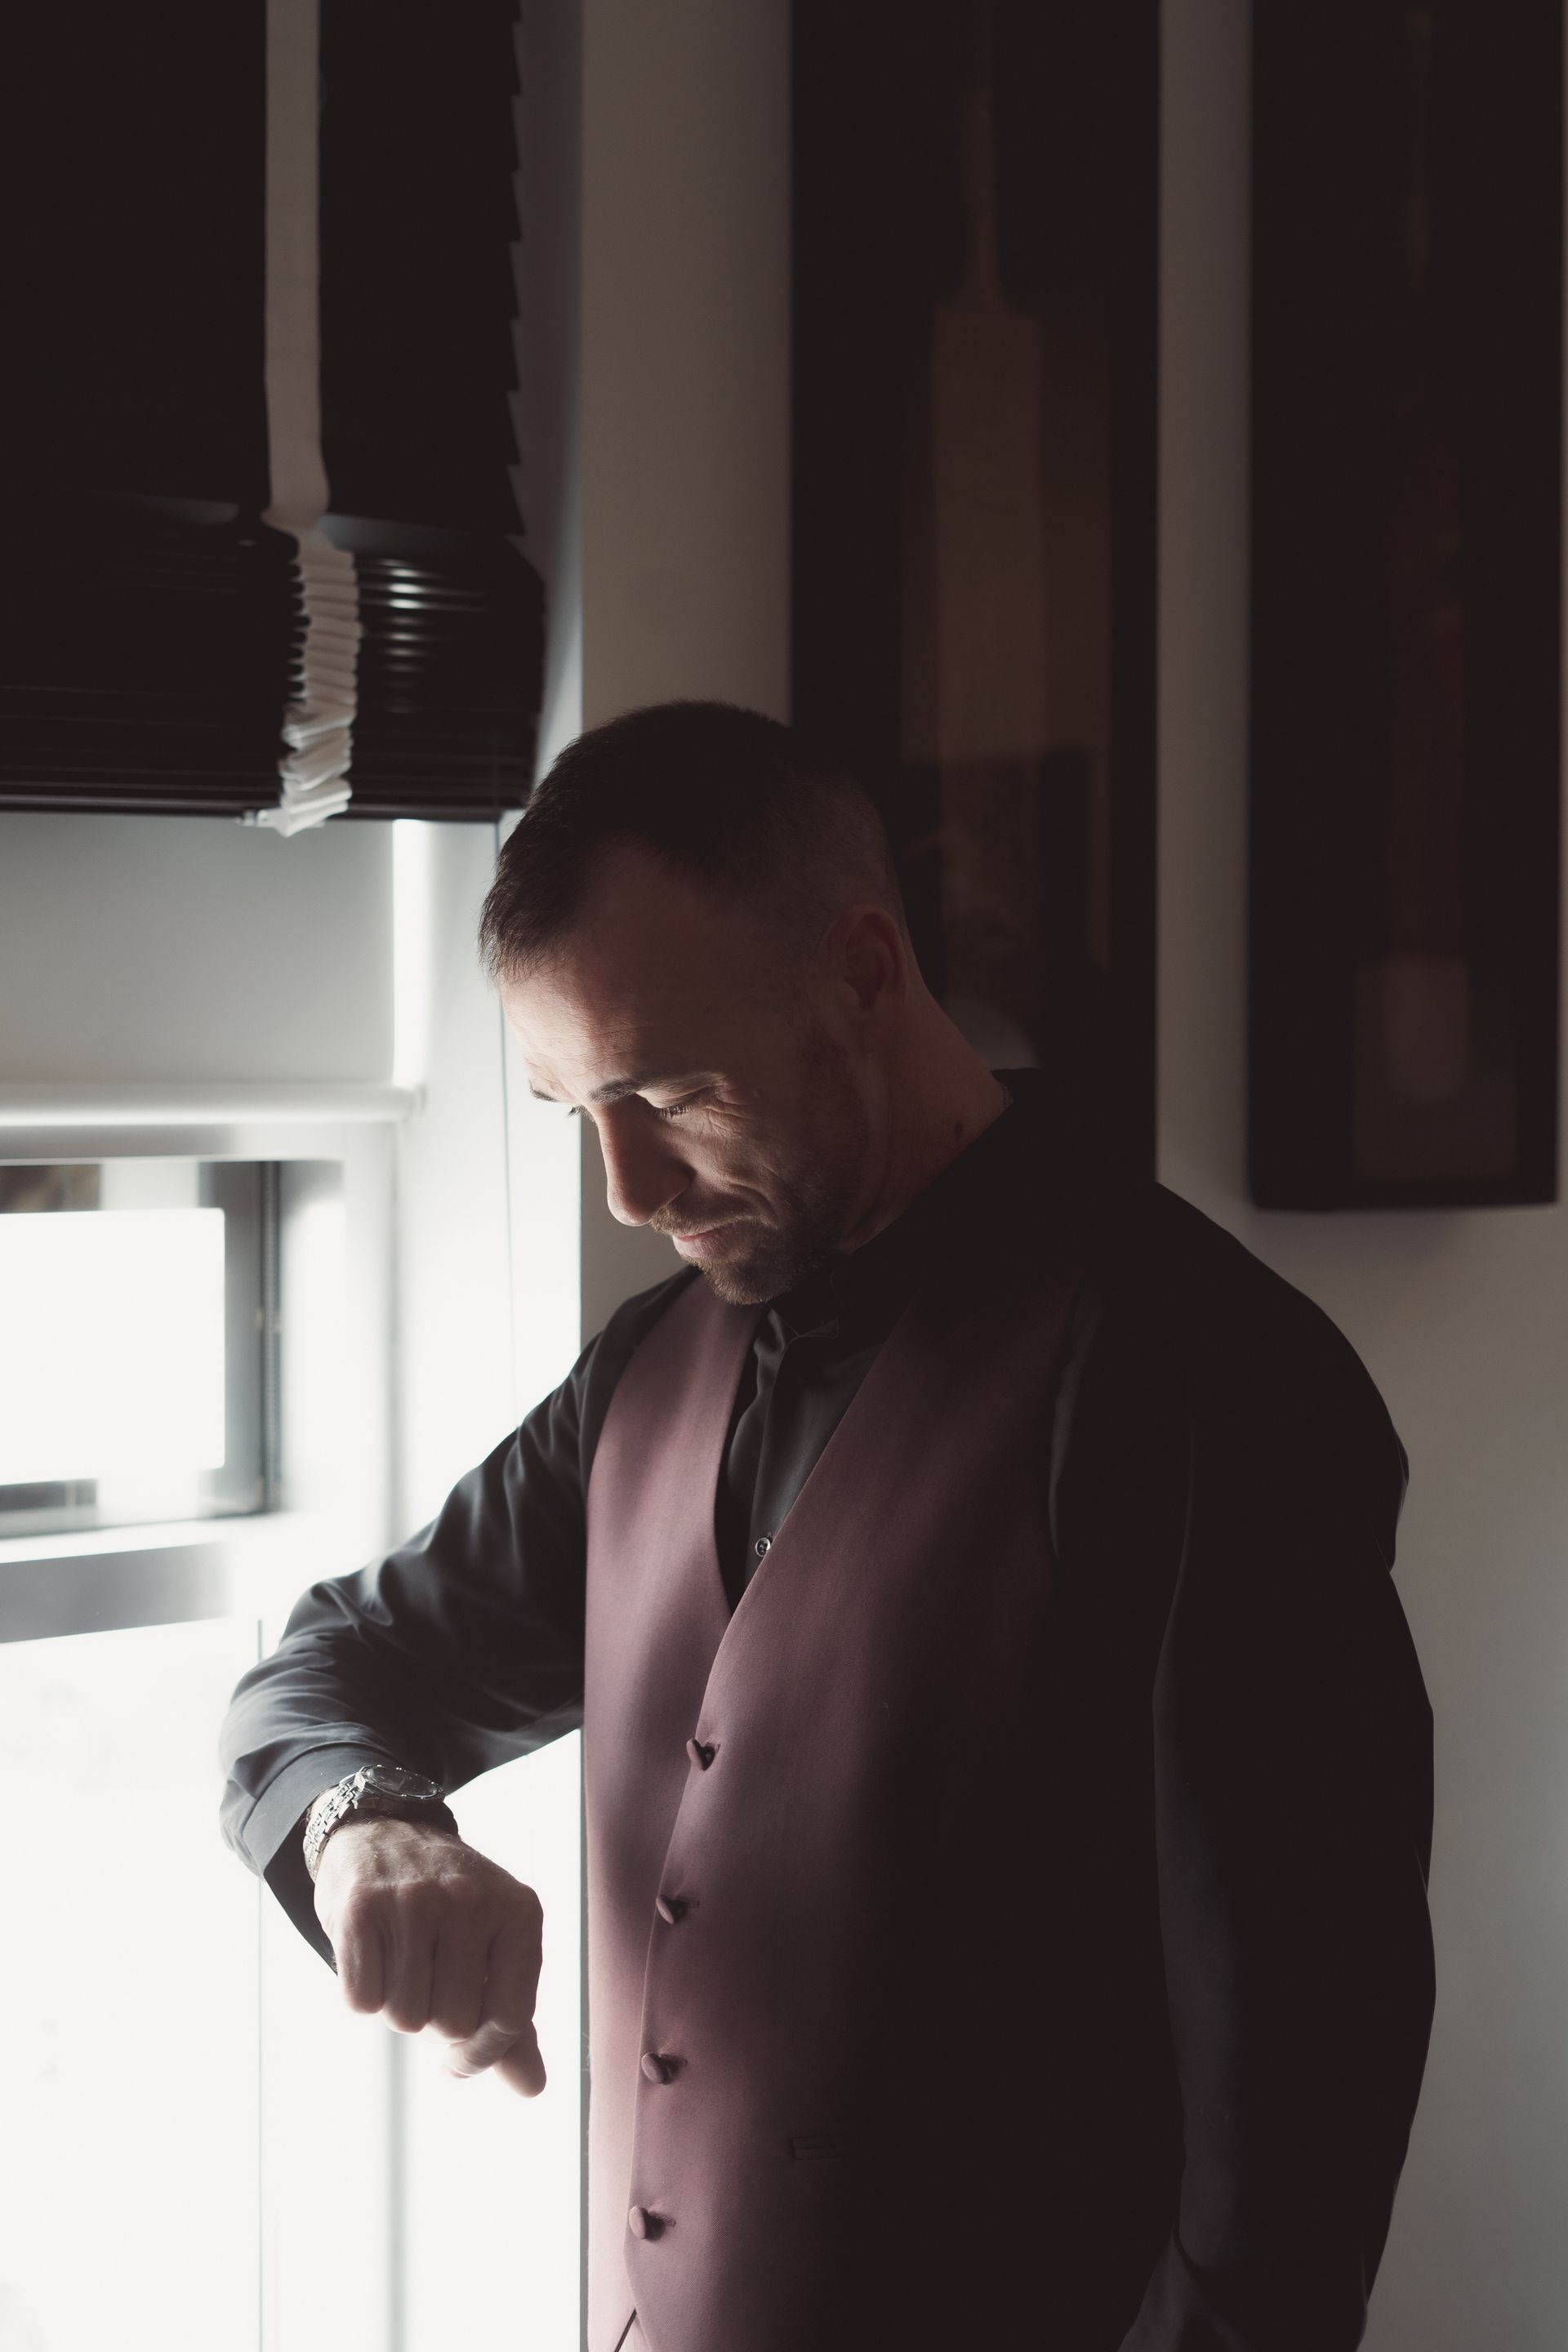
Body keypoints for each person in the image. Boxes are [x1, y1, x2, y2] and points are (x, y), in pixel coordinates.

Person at [219, 702, 1435, 2352]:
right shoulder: (644, 1372)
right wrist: (373, 1822)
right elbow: (328, 1670)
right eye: (575, 1110)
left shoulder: (1206, 1380)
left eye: (667, 1089)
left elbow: (1298, 2116)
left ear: (865, 973)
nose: (628, 1189)